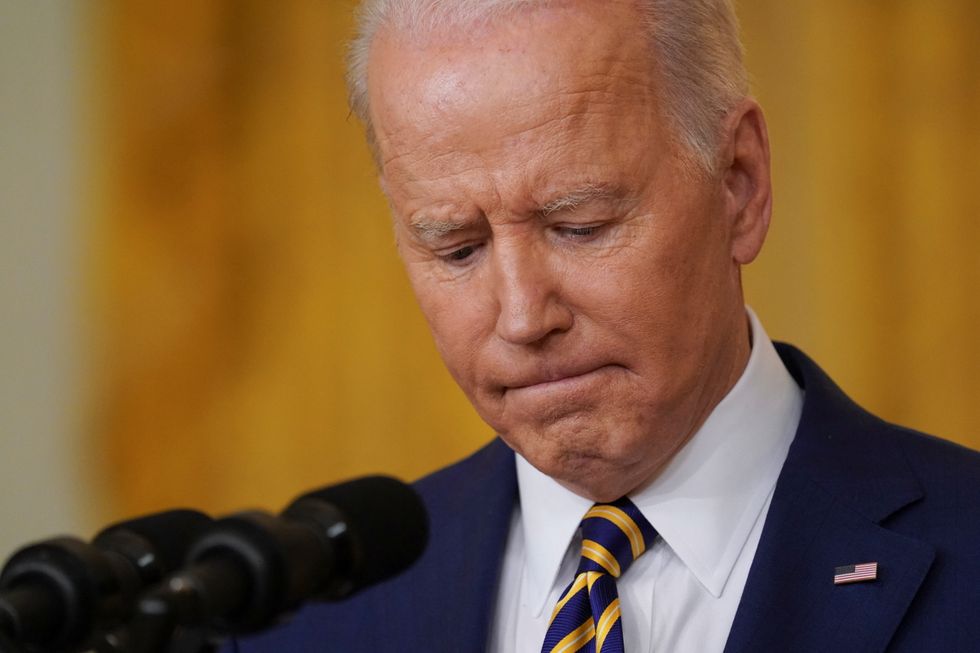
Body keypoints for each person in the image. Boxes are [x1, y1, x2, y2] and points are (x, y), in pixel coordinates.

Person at [230, 0, 980, 651]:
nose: (523, 316)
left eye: (580, 225)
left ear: (739, 184)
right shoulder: (305, 618)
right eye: (457, 247)